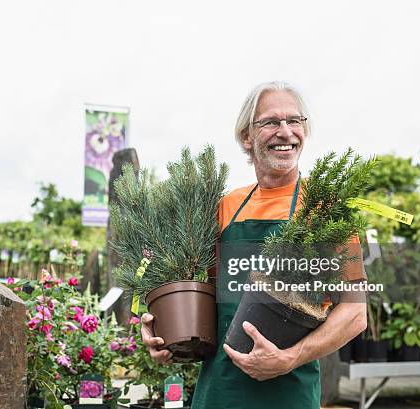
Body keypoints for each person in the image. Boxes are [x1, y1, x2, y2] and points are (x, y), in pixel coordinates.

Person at [140, 81, 367, 409]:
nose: (285, 131)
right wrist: (159, 330)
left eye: (295, 121)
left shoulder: (325, 211)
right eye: (271, 122)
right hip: (219, 390)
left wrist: (289, 358)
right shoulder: (225, 207)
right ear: (247, 136)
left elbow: (355, 312)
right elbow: (194, 296)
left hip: (289, 390)